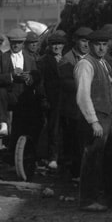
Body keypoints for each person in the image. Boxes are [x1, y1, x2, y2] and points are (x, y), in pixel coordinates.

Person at [74, 26, 112, 211]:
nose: (101, 48)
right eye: (97, 45)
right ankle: (87, 200)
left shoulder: (105, 63)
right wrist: (93, 121)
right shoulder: (85, 64)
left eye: (104, 45)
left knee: (111, 158)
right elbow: (83, 96)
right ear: (90, 45)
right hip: (97, 118)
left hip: (110, 117)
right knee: (91, 158)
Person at [0, 27, 42, 137]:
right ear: (10, 42)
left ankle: (25, 139)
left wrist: (29, 78)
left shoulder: (30, 59)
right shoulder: (2, 57)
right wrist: (11, 76)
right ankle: (3, 124)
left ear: (23, 43)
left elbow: (37, 76)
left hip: (24, 93)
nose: (15, 45)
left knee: (24, 122)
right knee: (1, 91)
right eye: (13, 43)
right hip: (9, 93)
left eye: (18, 43)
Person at [58, 26, 92, 180]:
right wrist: (87, 84)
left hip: (91, 107)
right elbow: (66, 82)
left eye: (89, 41)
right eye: (83, 41)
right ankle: (75, 172)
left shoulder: (93, 57)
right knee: (75, 141)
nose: (86, 45)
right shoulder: (67, 59)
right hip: (74, 109)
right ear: (76, 41)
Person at [37, 30, 66, 170]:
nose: (56, 47)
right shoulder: (43, 61)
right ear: (49, 46)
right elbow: (40, 82)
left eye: (59, 44)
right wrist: (44, 99)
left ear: (63, 46)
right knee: (53, 128)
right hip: (51, 100)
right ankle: (52, 157)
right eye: (54, 44)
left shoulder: (67, 60)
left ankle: (65, 156)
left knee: (67, 128)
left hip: (67, 100)